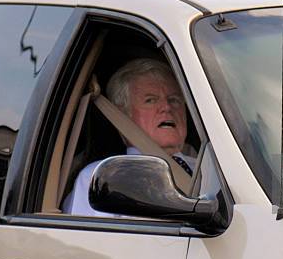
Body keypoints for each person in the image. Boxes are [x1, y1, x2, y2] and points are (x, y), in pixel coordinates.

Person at [62, 58, 196, 217]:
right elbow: (89, 241)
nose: (167, 107)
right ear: (123, 116)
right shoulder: (103, 176)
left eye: (174, 100)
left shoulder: (212, 170)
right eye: (150, 100)